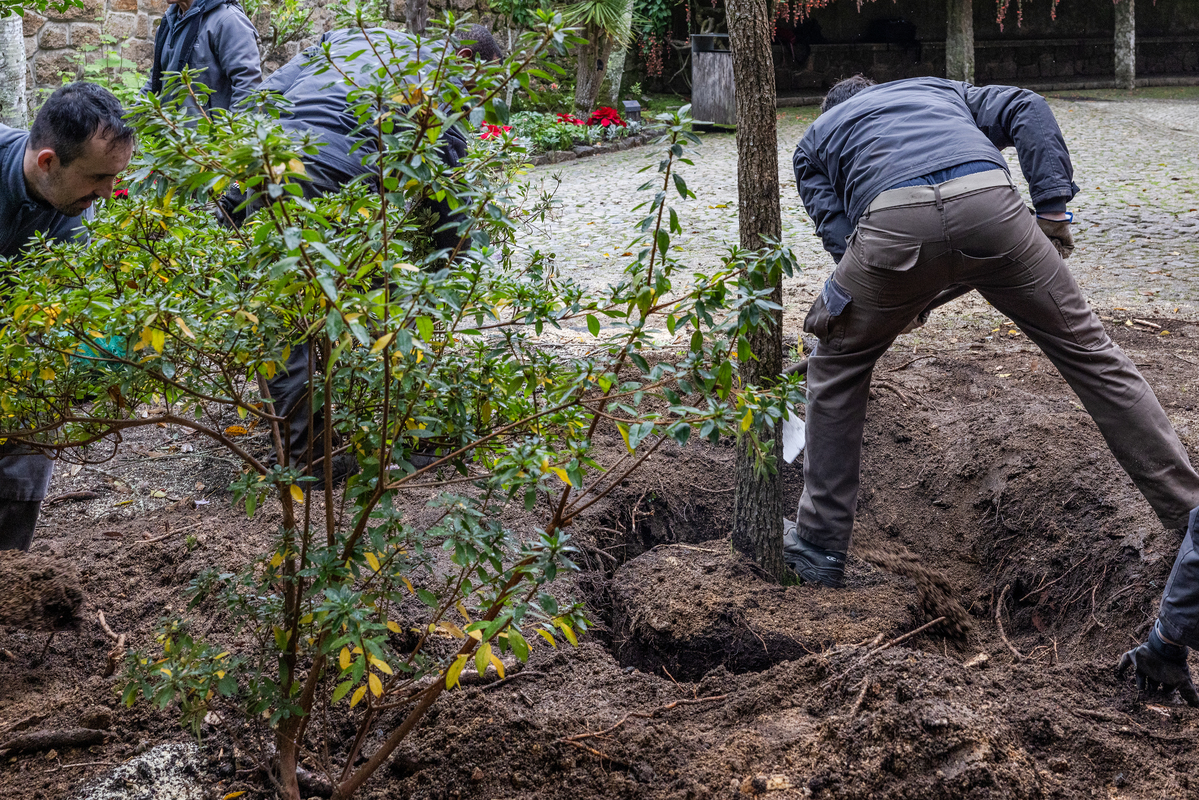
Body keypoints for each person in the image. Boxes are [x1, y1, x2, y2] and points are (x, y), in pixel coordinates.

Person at [787, 75, 1199, 703]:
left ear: (833, 111)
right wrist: (1052, 208)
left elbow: (841, 237)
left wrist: (893, 295)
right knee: (1092, 353)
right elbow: (1028, 107)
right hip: (994, 211)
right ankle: (1186, 509)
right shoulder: (941, 91)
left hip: (892, 231)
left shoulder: (815, 139)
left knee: (836, 367)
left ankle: (819, 546)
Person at [220, 24, 502, 474]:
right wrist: (448, 275)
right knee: (362, 304)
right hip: (332, 175)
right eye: (481, 88)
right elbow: (451, 202)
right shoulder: (442, 80)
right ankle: (336, 453)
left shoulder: (351, 37)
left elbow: (266, 95)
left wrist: (235, 182)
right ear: (465, 58)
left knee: (280, 311)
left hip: (260, 165)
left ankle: (305, 447)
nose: (476, 102)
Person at [0, 83, 135, 550]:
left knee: (33, 417)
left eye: (115, 177)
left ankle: (9, 569)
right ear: (47, 162)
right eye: (98, 177)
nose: (108, 192)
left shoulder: (74, 214)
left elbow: (57, 320)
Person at [145, 0, 262, 113]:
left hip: (211, 126)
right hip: (173, 126)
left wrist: (234, 126)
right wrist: (134, 117)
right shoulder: (168, 24)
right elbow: (156, 81)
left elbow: (247, 85)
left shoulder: (228, 21)